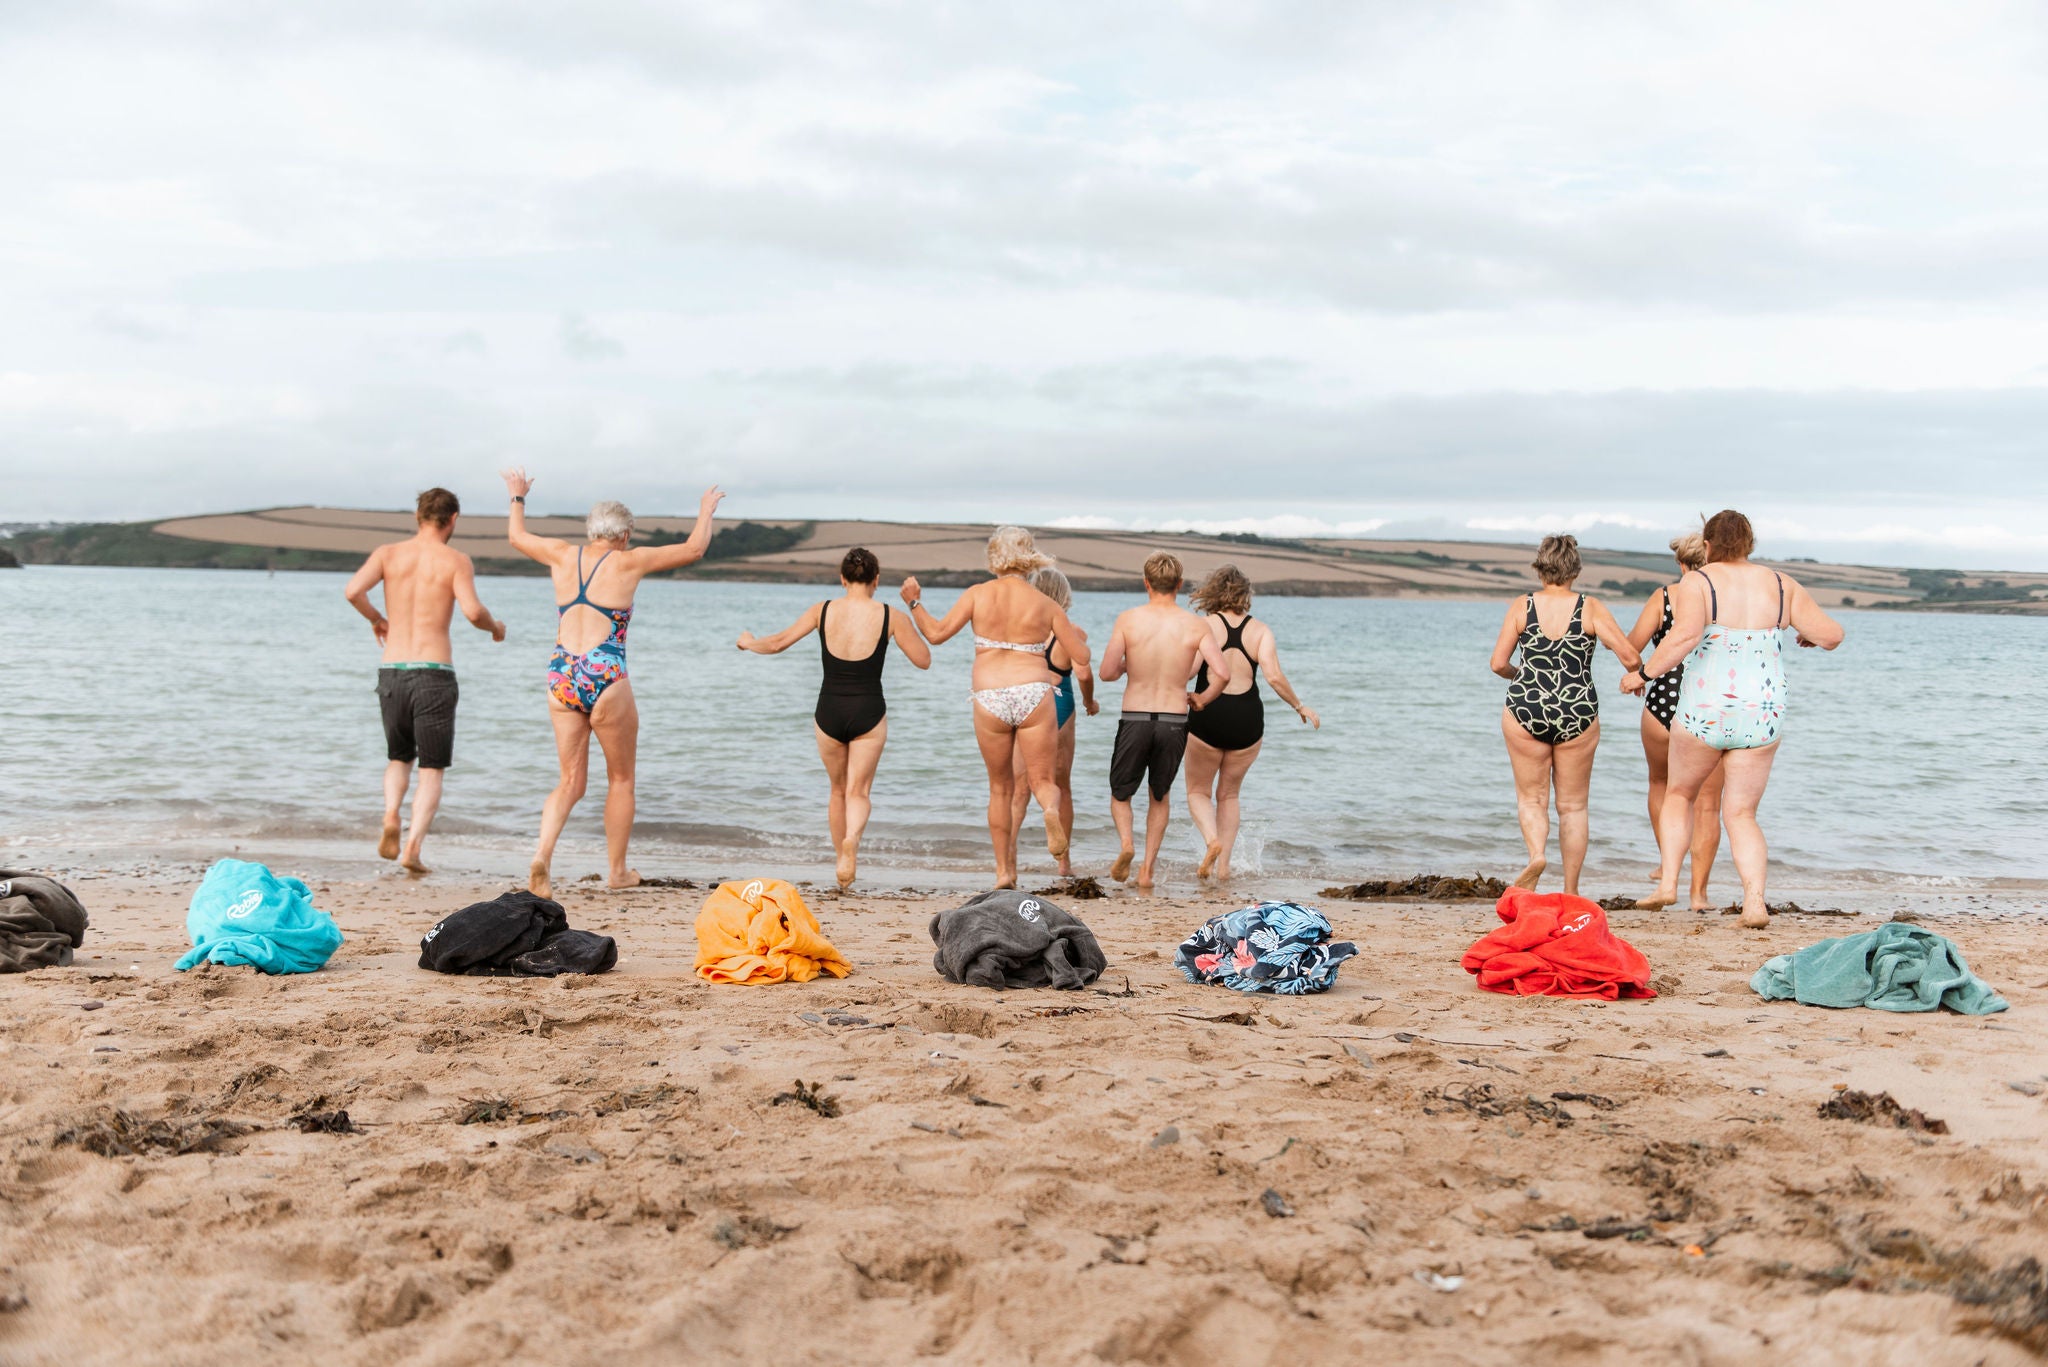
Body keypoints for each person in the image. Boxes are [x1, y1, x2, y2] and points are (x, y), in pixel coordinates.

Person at [500, 467, 725, 896]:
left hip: (562, 672)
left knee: (569, 781)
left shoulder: (562, 554)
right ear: (624, 535)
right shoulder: (629, 560)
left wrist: (517, 497)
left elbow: (516, 538)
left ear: (591, 532)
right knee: (620, 779)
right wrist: (704, 509)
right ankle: (618, 871)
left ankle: (542, 855)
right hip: (605, 673)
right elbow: (695, 548)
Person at [1629, 510, 1843, 926]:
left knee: (1679, 795)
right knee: (1741, 813)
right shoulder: (1782, 584)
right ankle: (1754, 902)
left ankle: (1668, 883)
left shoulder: (1699, 581)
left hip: (1706, 707)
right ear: (1750, 544)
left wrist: (1642, 673)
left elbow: (1685, 637)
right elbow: (1832, 635)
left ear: (1707, 546)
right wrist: (1807, 635)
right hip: (1761, 709)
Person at [900, 527, 1092, 889]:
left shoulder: (978, 595)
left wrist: (914, 602)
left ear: (994, 556)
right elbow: (1081, 656)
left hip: (989, 695)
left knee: (1001, 789)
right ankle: (1050, 811)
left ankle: (1005, 872)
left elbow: (937, 634)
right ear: (1030, 556)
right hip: (1034, 693)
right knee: (1044, 782)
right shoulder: (1044, 604)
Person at [735, 547, 933, 890]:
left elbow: (779, 643)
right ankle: (852, 841)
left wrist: (748, 642)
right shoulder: (891, 615)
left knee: (837, 790)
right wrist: (911, 612)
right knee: (859, 790)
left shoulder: (822, 611)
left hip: (828, 710)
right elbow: (923, 660)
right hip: (869, 710)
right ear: (876, 580)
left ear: (843, 579)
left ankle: (841, 866)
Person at [342, 487, 505, 874]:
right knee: (431, 768)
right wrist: (496, 628)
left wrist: (376, 619)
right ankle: (412, 848)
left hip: (391, 671)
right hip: (434, 673)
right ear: (453, 520)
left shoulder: (387, 554)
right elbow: (471, 611)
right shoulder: (455, 560)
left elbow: (352, 591)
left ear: (418, 517)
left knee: (399, 757)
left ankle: (390, 817)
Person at [1487, 534, 1643, 897]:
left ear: (1540, 568)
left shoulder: (1522, 606)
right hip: (1577, 711)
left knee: (1531, 799)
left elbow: (1497, 663)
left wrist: (1521, 676)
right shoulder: (1590, 607)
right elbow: (1632, 659)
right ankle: (1571, 891)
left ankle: (1537, 856)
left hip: (1526, 706)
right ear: (1575, 569)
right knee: (1573, 806)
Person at [1099, 552, 1233, 889]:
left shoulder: (1128, 620)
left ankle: (1127, 845)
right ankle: (1146, 872)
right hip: (1174, 719)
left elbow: (1107, 672)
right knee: (1160, 796)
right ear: (1178, 584)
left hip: (1136, 716)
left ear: (1146, 583)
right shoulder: (1195, 625)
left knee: (1121, 794)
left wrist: (1131, 665)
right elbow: (1223, 673)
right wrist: (1202, 698)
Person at [1180, 565, 1321, 881]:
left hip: (1208, 715)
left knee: (1198, 792)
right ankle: (1225, 868)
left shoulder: (1204, 625)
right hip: (1247, 720)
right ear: (1246, 595)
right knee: (1229, 795)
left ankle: (1211, 841)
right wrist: (1299, 705)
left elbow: (1189, 672)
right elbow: (1272, 676)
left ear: (1213, 591)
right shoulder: (1261, 631)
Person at [1624, 531, 1725, 909]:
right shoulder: (1723, 598)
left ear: (1681, 564)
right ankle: (1699, 894)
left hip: (1662, 701)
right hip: (1709, 705)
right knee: (1708, 803)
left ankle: (1668, 868)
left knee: (1661, 784)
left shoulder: (1665, 597)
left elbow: (1630, 645)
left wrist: (1641, 673)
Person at [1004, 566, 1098, 878]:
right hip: (1059, 701)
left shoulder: (1017, 629)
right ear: (1065, 596)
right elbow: (1083, 673)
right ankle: (1063, 863)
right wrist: (1089, 701)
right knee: (1061, 785)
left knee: (1019, 789)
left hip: (1026, 701)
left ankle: (1009, 860)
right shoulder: (1072, 632)